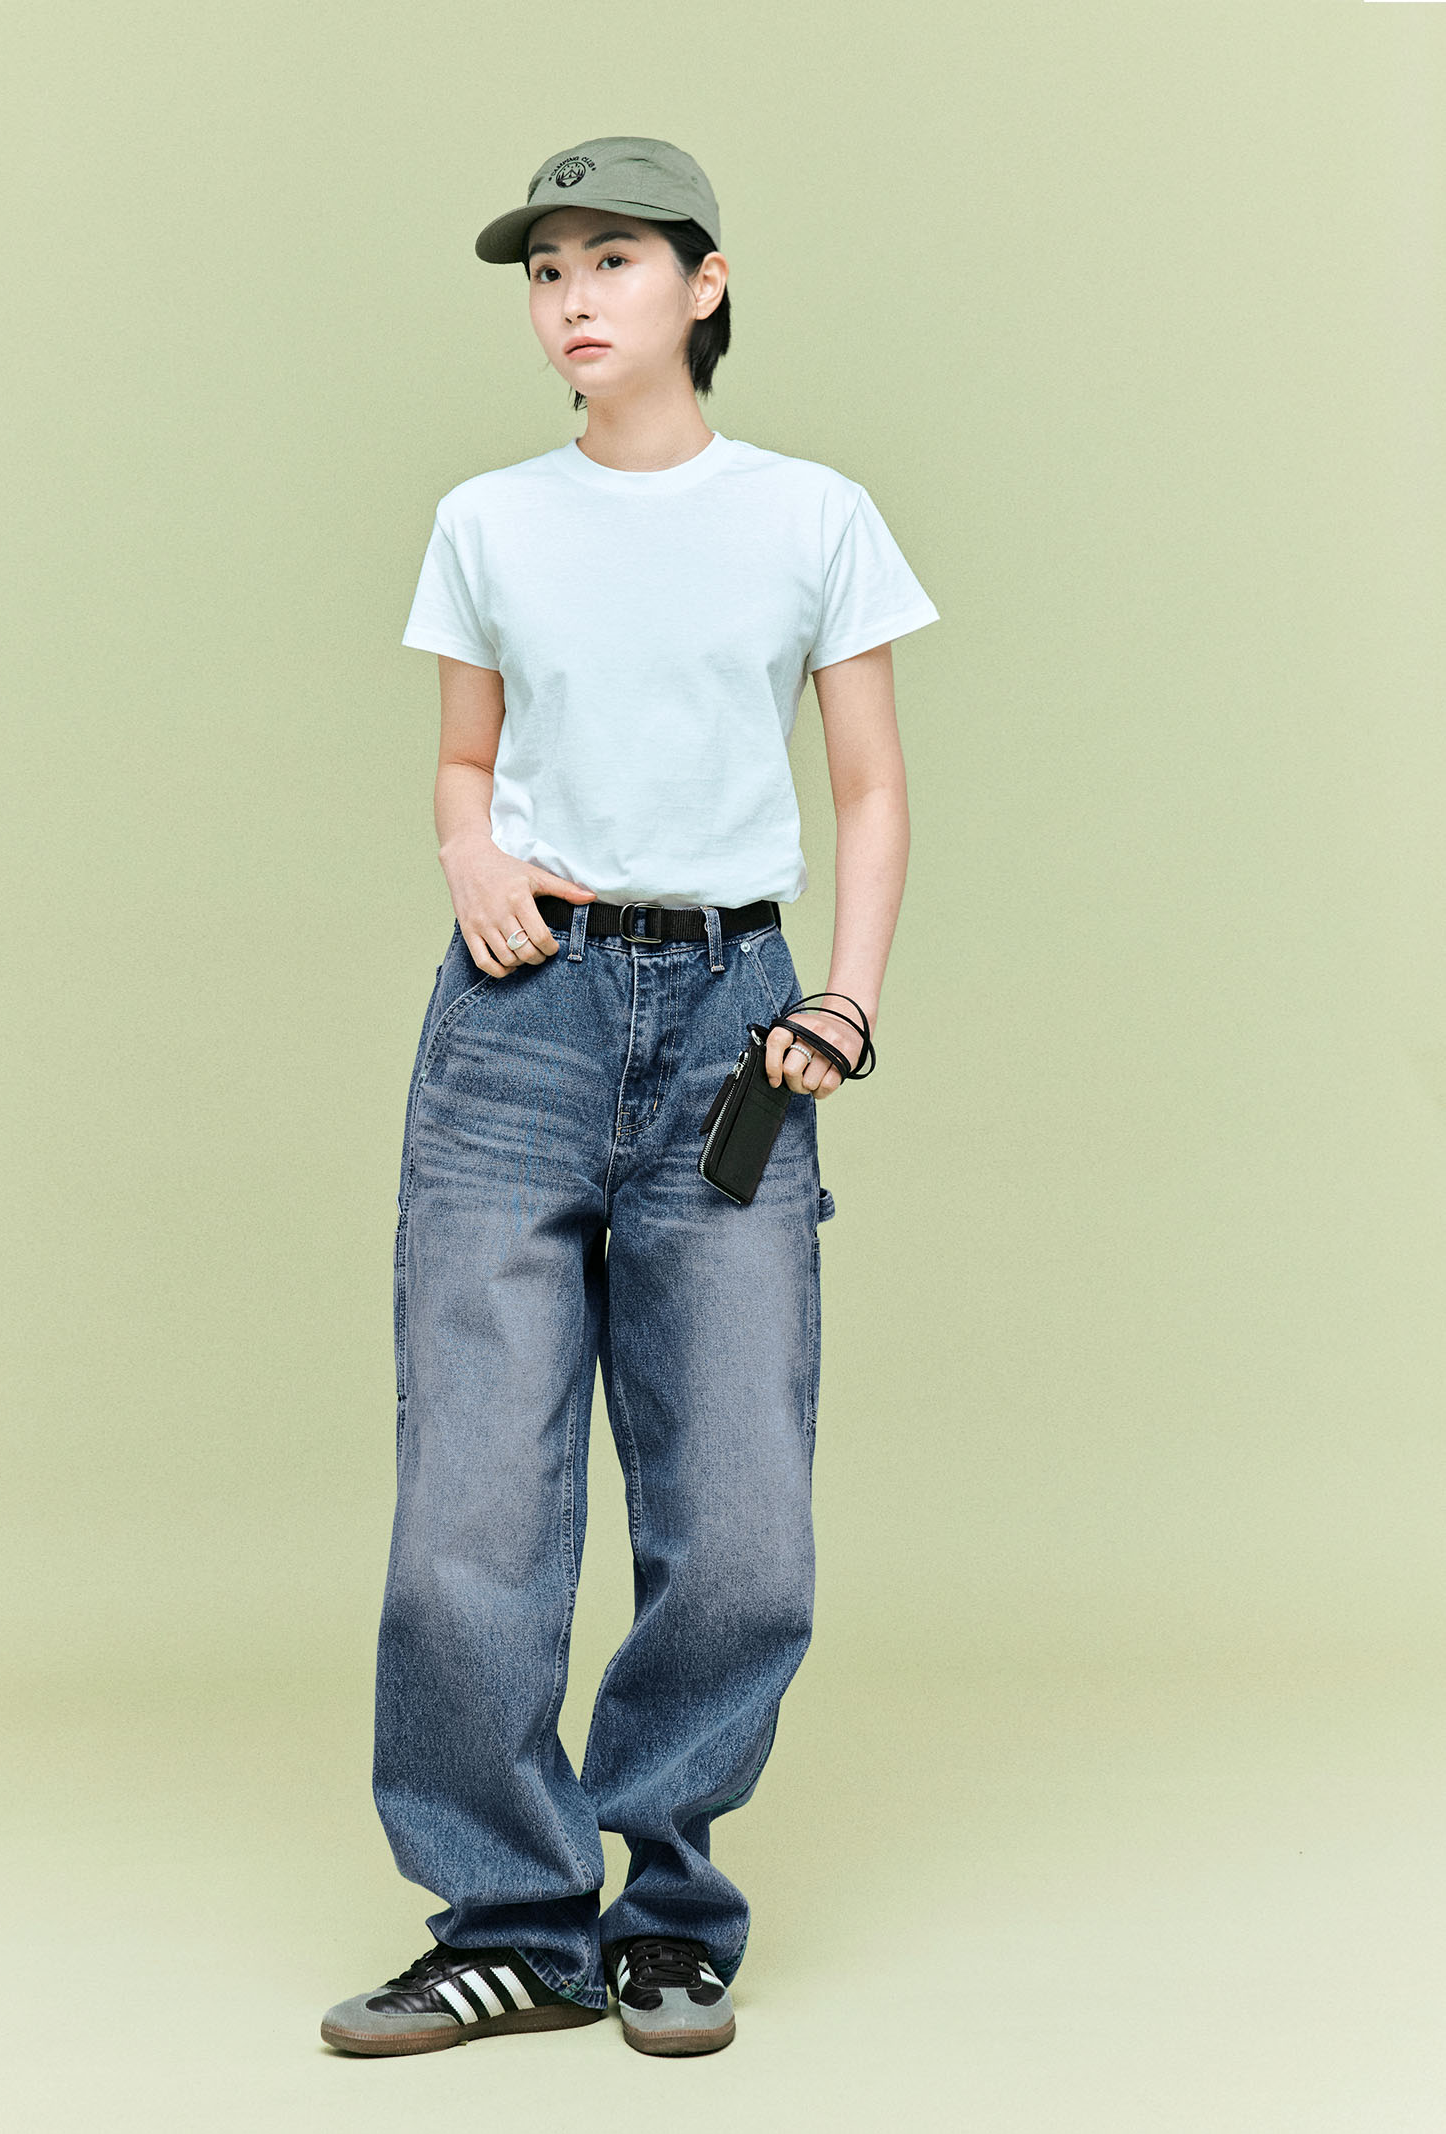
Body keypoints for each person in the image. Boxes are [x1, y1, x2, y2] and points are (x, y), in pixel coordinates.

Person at [321, 136, 939, 2061]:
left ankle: (667, 1905)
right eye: (544, 270)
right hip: (518, 1024)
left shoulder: (811, 513)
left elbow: (868, 788)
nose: (572, 298)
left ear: (705, 284)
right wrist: (468, 854)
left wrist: (843, 1000)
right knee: (469, 1510)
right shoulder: (487, 520)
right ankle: (511, 1919)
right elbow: (465, 765)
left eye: (611, 260)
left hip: (737, 1019)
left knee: (739, 1517)